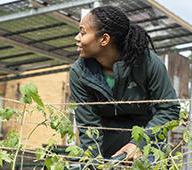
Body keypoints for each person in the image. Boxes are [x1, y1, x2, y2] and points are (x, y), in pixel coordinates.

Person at [69, 5, 180, 160]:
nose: (77, 37)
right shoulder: (79, 72)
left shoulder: (148, 63)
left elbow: (169, 110)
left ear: (104, 39)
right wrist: (93, 164)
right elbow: (88, 128)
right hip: (106, 154)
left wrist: (139, 144)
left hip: (146, 151)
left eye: (82, 32)